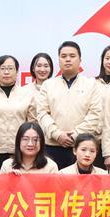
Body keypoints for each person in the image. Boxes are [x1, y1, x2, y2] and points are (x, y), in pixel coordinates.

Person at [1, 121, 60, 217]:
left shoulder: (50, 166)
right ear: (18, 141)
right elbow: (0, 197)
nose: (30, 144)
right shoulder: (7, 165)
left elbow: (56, 198)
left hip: (41, 216)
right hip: (16, 216)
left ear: (42, 142)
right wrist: (9, 181)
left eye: (35, 140)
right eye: (25, 139)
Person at [36, 41, 103, 169]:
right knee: (53, 180)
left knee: (80, 182)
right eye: (63, 56)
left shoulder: (91, 84)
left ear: (80, 60)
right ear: (59, 60)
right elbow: (42, 113)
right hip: (52, 146)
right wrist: (57, 134)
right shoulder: (48, 85)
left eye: (72, 56)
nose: (67, 59)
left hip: (82, 147)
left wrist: (76, 134)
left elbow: (95, 114)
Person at [0, 55, 36, 172]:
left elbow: (33, 124)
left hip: (20, 150)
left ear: (17, 72)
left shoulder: (27, 94)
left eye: (10, 68)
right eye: (3, 68)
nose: (6, 72)